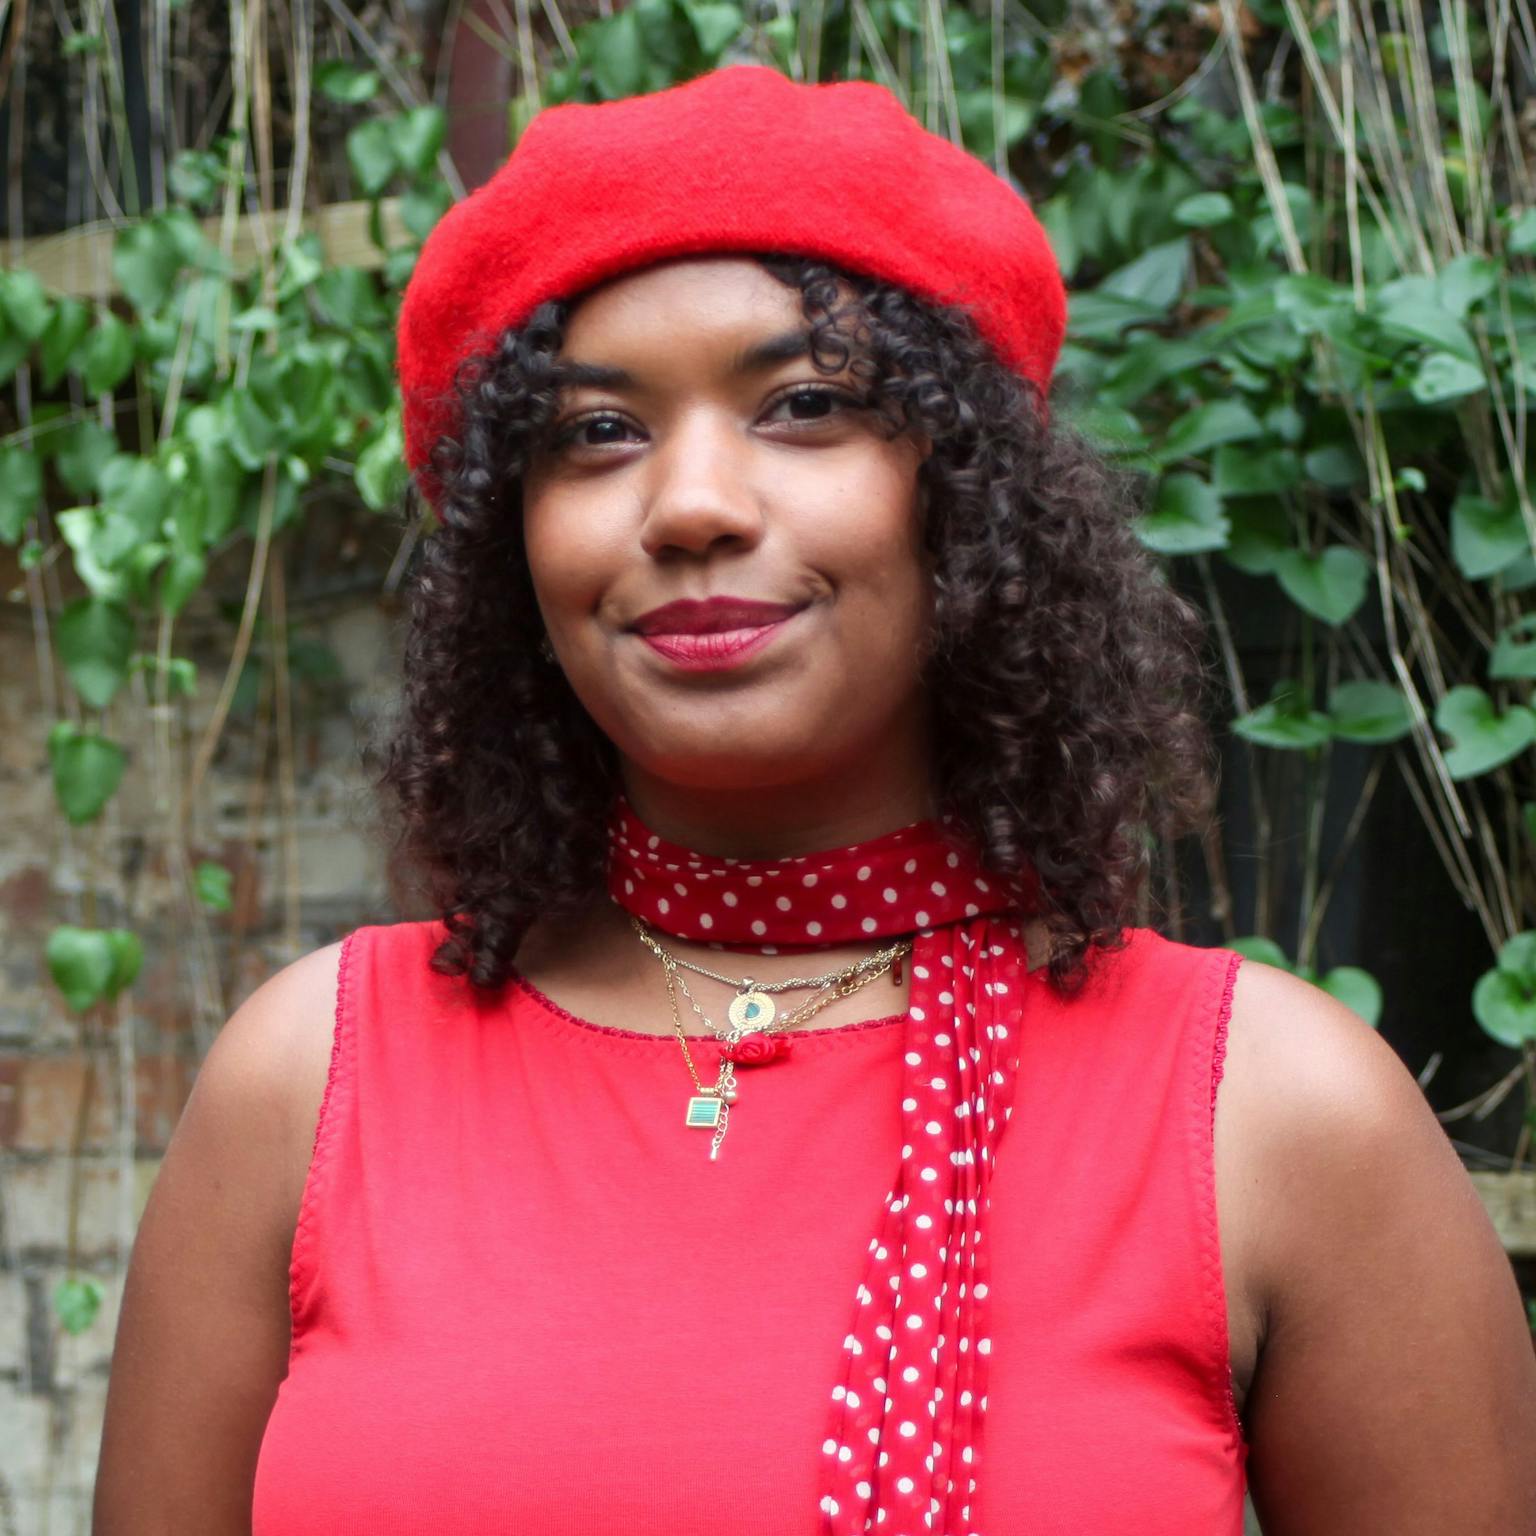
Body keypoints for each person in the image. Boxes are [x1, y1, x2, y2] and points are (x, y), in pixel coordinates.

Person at [93, 65, 1536, 1536]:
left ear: (970, 496)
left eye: (806, 405)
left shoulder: (1275, 1116)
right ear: (508, 546)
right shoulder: (309, 1082)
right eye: (596, 431)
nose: (691, 503)